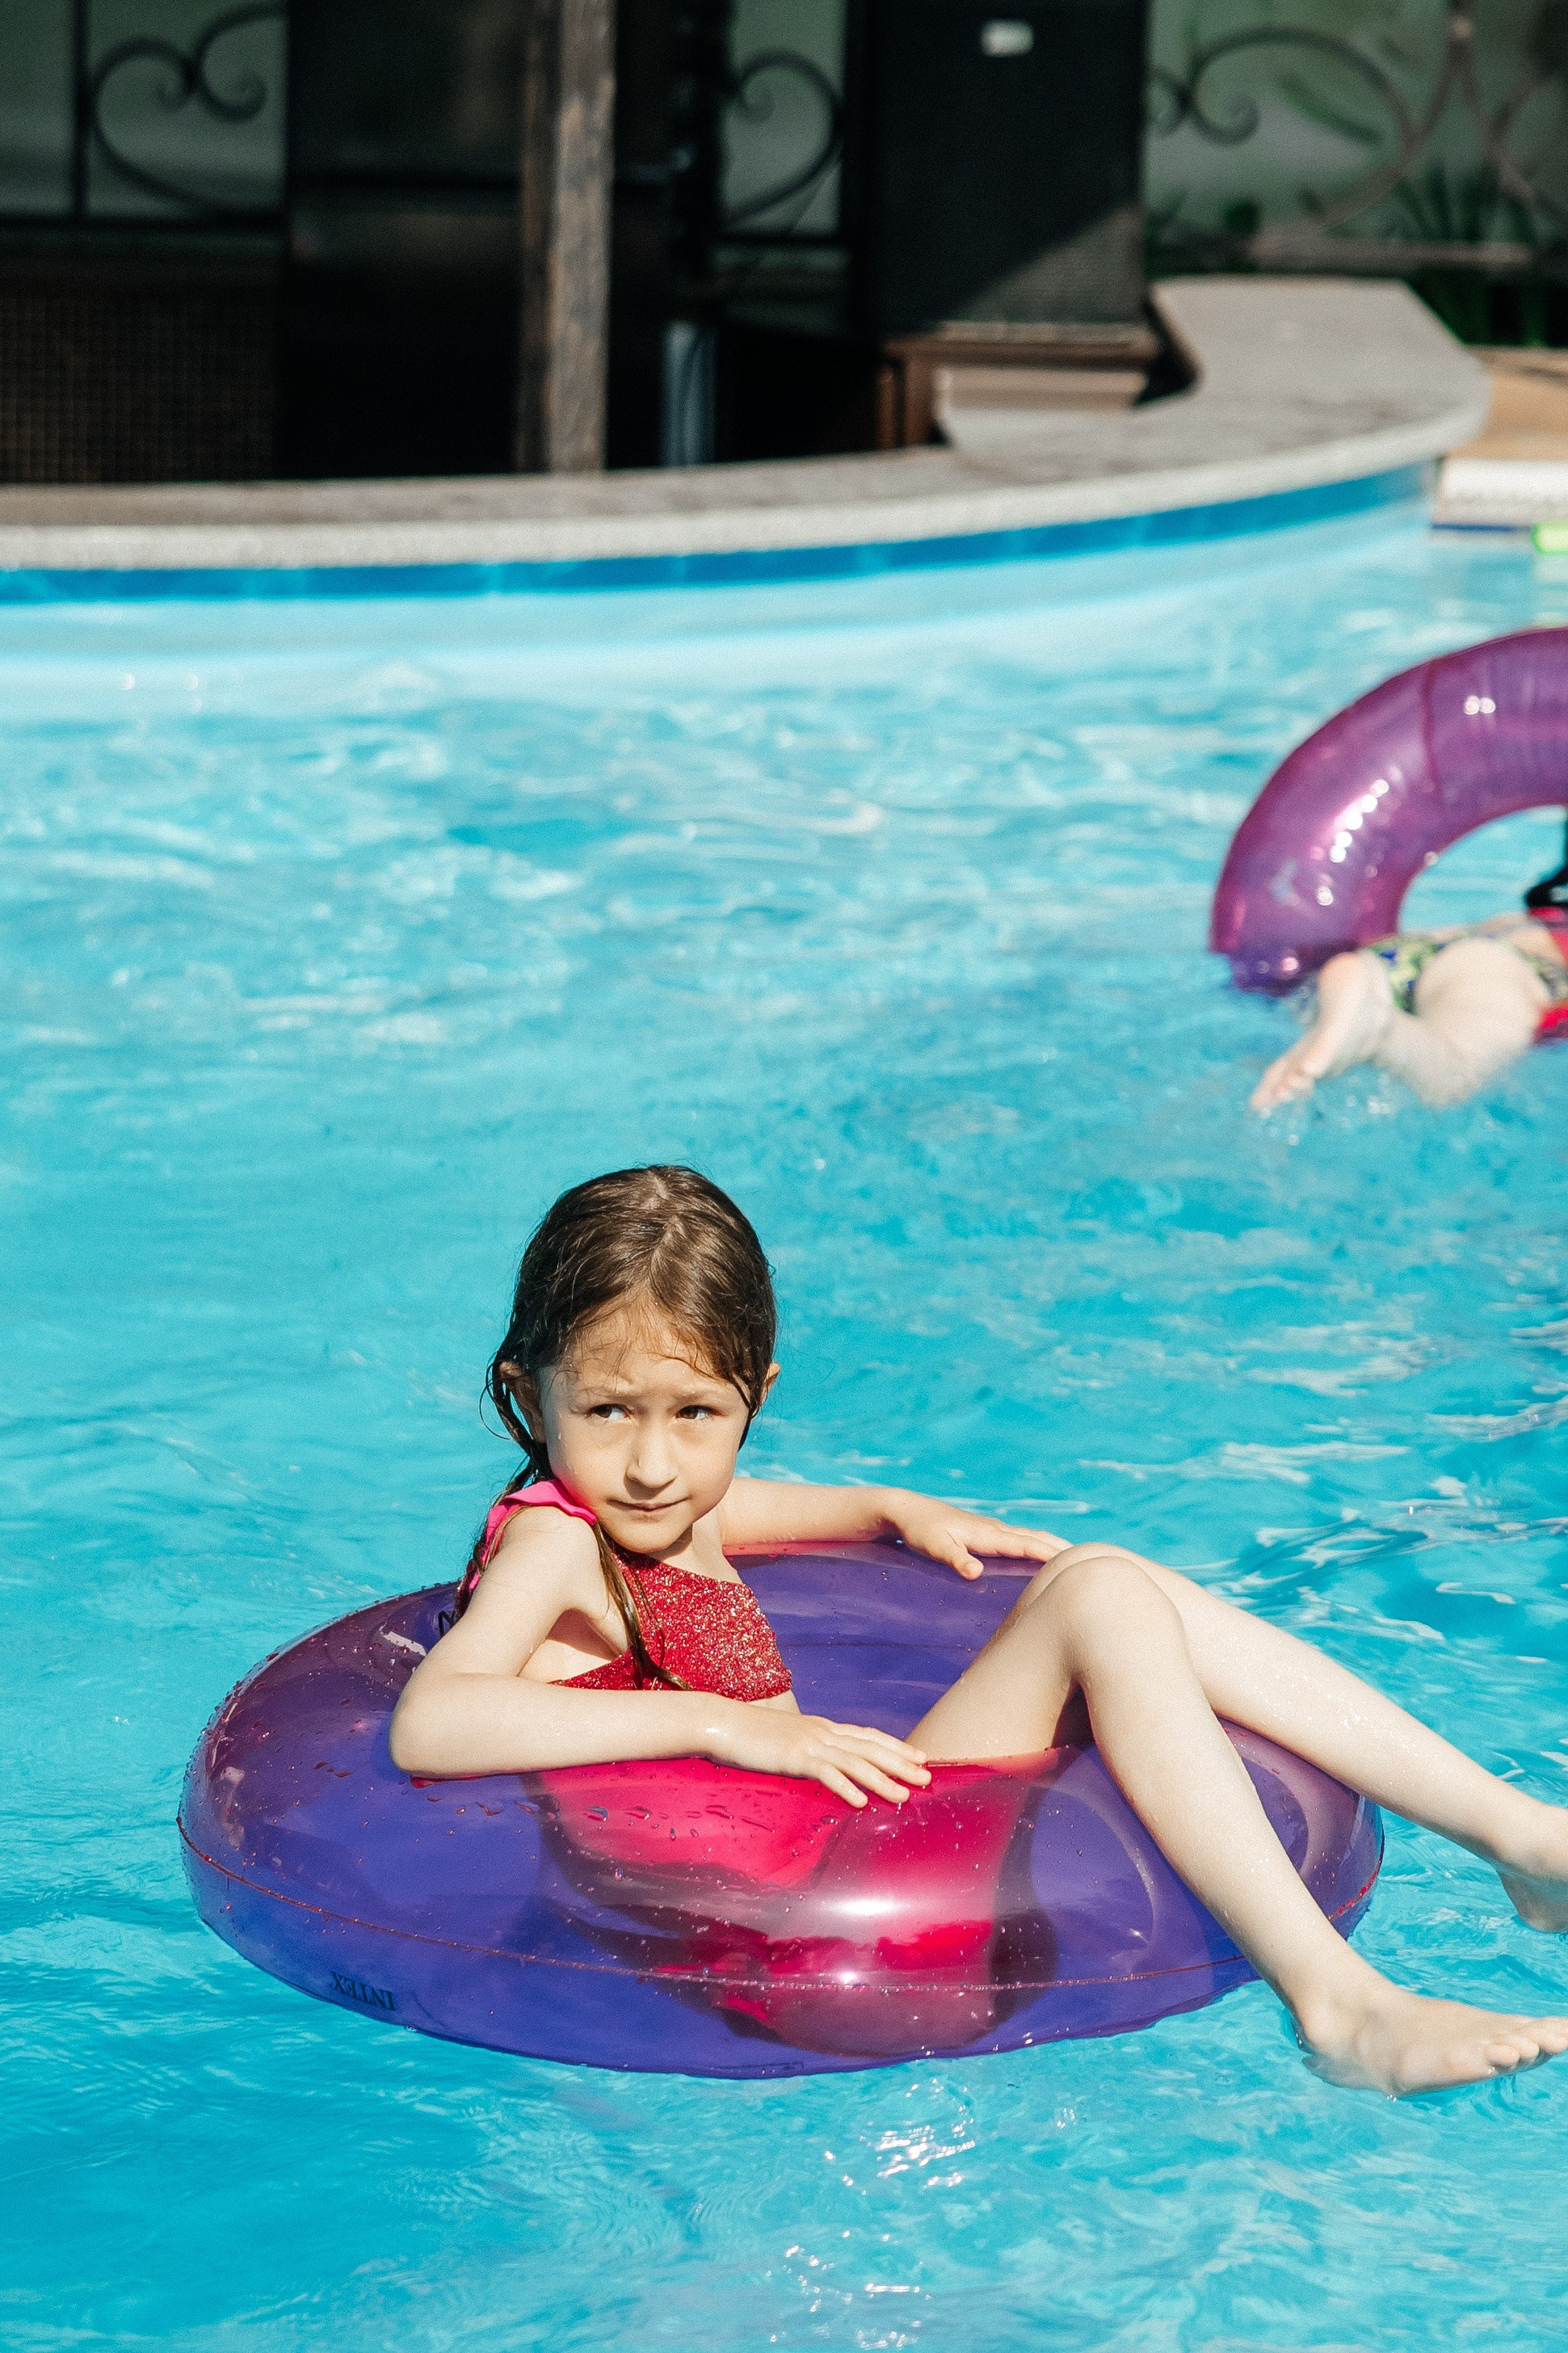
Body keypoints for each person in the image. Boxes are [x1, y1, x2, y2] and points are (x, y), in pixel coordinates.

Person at [390, 1164, 1568, 2095]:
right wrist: (718, 1728)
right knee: (1100, 1599)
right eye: (606, 1411)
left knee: (1106, 1571)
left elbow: (736, 1506)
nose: (651, 1464)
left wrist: (886, 1507)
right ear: (527, 1388)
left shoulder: (639, 1506)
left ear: (758, 1390)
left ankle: (1524, 1841)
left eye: (697, 1414)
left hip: (812, 1863)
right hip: (781, 1945)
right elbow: (433, 1721)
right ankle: (1339, 2005)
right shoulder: (556, 1544)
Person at [1251, 848, 1568, 1113]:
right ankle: (1379, 1030)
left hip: (1407, 951)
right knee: (1453, 1074)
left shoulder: (1521, 919)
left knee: (1336, 1030)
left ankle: (1358, 986)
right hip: (1498, 966)